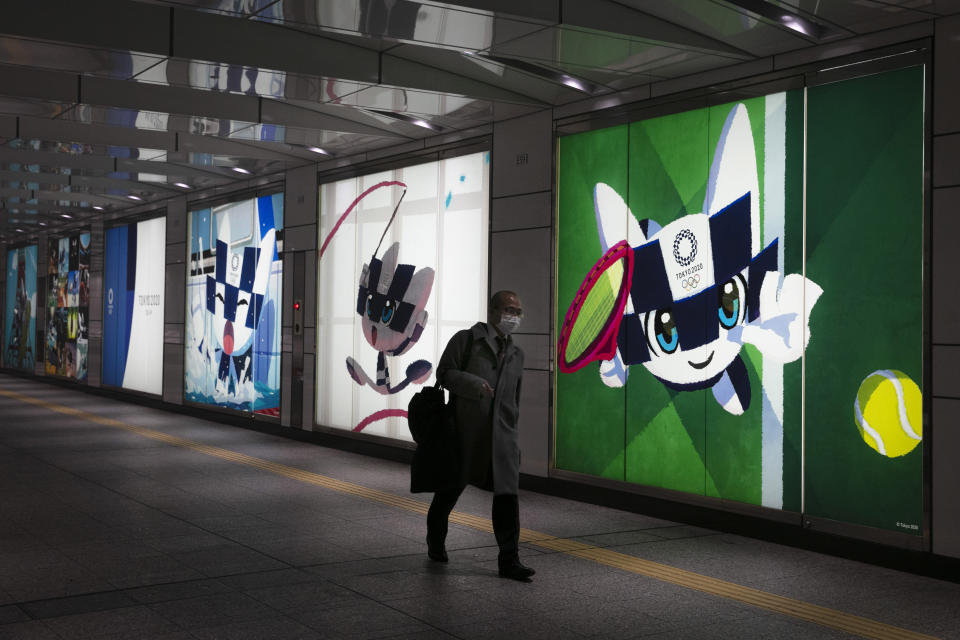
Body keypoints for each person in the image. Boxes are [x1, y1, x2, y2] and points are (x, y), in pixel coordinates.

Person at [426, 290, 534, 581]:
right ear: (492, 310)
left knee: (507, 499)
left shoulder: (516, 354)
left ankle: (509, 560)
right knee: (449, 492)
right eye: (508, 309)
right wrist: (473, 384)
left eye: (517, 311)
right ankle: (435, 540)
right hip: (466, 434)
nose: (513, 316)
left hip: (502, 440)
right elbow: (444, 373)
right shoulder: (466, 341)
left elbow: (515, 399)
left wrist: (513, 437)